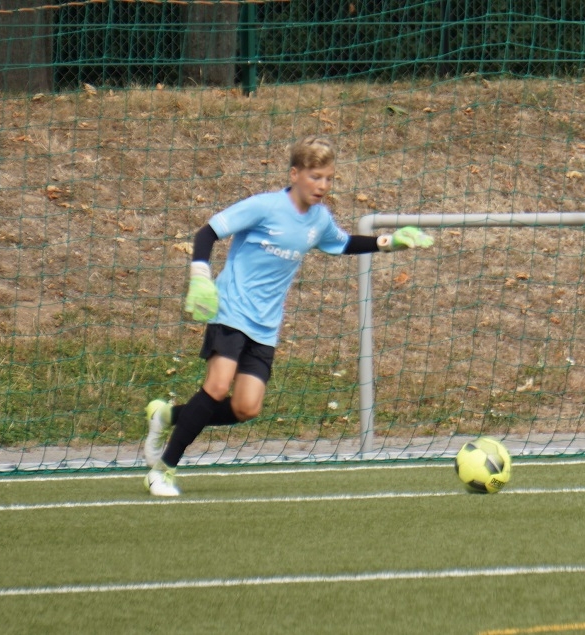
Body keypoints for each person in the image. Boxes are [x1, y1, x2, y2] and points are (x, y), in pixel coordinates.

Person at [143, 135, 434, 496]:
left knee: (246, 408)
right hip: (231, 308)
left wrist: (388, 242)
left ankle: (169, 416)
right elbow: (207, 233)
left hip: (265, 325)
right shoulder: (264, 207)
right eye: (315, 177)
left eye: (328, 178)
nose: (322, 185)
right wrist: (200, 276)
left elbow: (343, 243)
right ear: (295, 174)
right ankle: (163, 470)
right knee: (216, 387)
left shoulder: (319, 219)